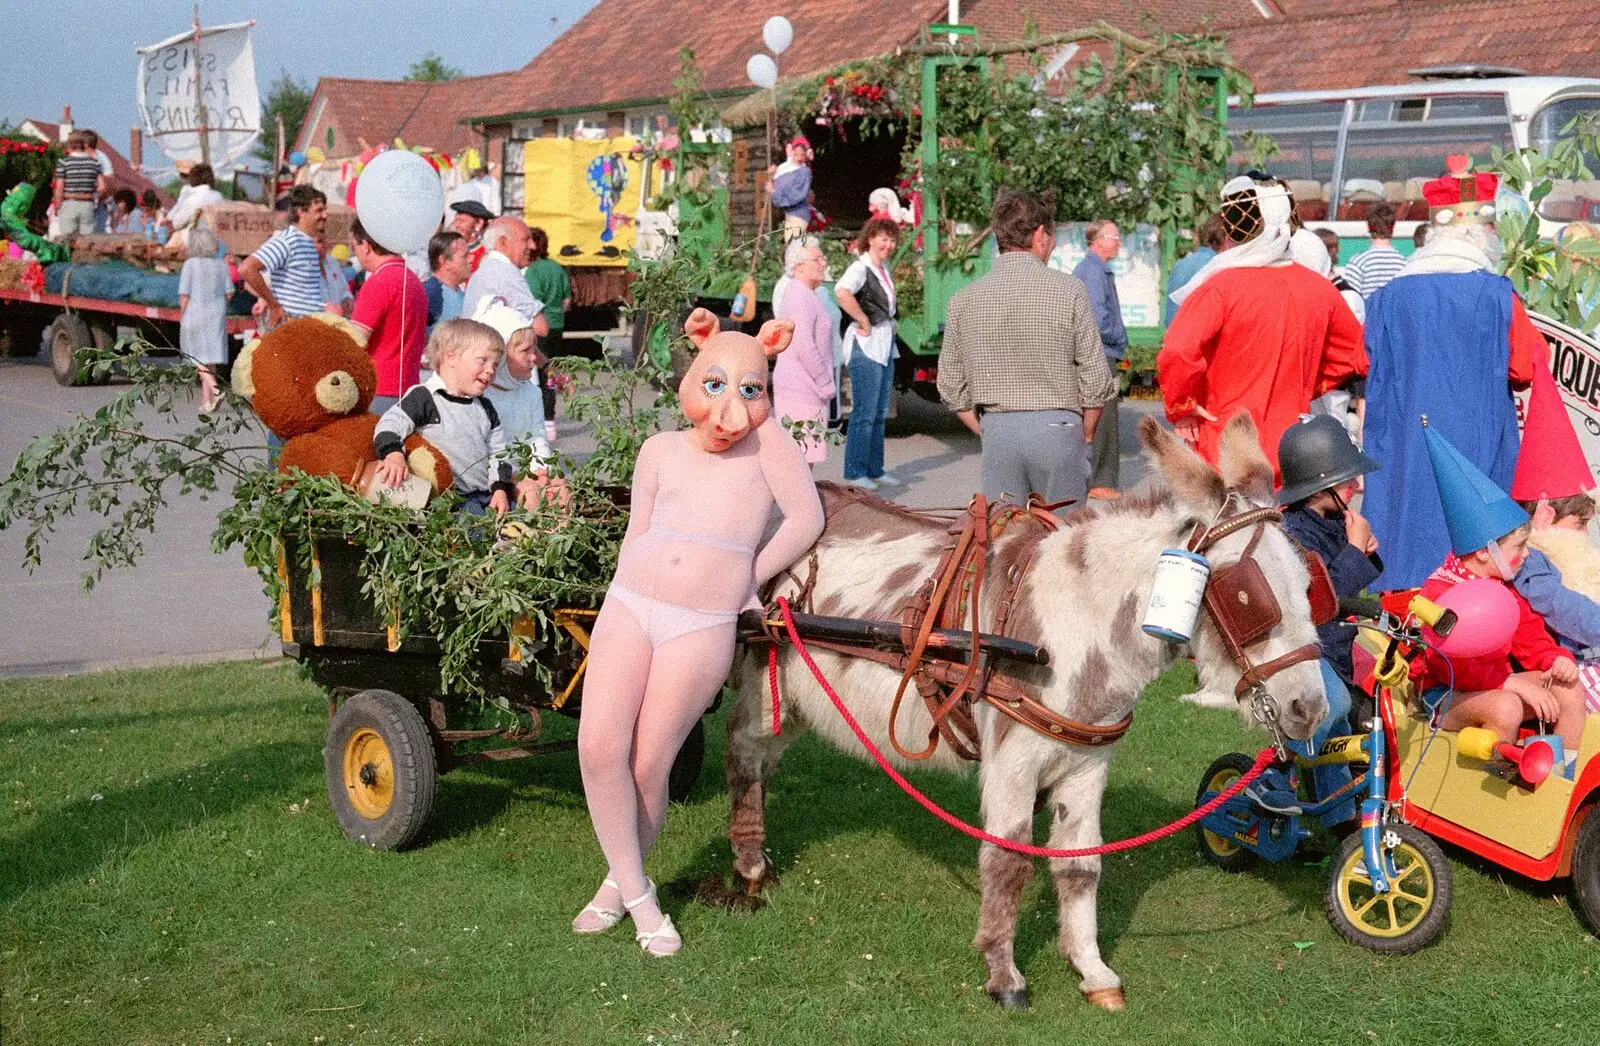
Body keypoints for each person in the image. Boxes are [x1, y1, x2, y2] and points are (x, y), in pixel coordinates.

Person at [571, 309, 823, 956]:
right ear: (691, 376)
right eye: (715, 386)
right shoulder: (658, 451)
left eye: (751, 390)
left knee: (649, 763)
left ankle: (617, 890)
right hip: (631, 606)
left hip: (701, 625)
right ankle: (637, 895)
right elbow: (639, 535)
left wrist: (749, 578)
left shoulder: (769, 449)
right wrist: (622, 595)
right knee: (599, 749)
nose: (729, 410)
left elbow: (805, 518)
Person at [1361, 166, 1545, 589]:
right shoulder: (1497, 294)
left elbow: (1364, 363)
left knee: (1407, 535)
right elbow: (1525, 368)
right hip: (1478, 444)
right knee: (1477, 543)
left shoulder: (1389, 297)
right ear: (1481, 232)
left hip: (1407, 442)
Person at [1159, 173, 1367, 478]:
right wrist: (1304, 382)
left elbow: (1177, 349)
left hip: (1227, 442)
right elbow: (1353, 354)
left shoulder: (1219, 288)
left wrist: (1183, 406)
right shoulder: (1319, 288)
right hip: (1294, 445)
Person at [1414, 421, 1585, 777]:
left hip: (1498, 686)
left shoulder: (1501, 585)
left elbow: (1530, 635)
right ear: (1481, 552)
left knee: (1569, 688)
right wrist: (1512, 683)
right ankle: (1486, 798)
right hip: (1444, 693)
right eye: (1518, 548)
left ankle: (1559, 782)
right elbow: (1445, 662)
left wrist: (1556, 658)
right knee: (1505, 707)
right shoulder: (1441, 592)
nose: (1525, 555)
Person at [938, 188, 1115, 511]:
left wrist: (988, 429)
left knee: (1007, 540)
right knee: (1062, 543)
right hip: (1059, 430)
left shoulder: (963, 299)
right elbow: (1096, 379)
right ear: (1039, 235)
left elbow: (950, 386)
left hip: (998, 431)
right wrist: (1086, 432)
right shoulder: (1070, 290)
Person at [1507, 352, 1600, 712]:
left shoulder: (1576, 560)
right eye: (1580, 524)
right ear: (1545, 516)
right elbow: (1559, 605)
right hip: (1567, 668)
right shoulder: (1532, 560)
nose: (1585, 536)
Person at [1278, 414, 1383, 690]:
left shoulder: (1330, 521)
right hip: (1313, 663)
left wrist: (1363, 551)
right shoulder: (1293, 535)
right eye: (1347, 479)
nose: (1357, 486)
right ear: (1320, 484)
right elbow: (1322, 601)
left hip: (1338, 654)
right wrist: (1354, 551)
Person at [373, 318, 518, 517]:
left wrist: (500, 489)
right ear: (451, 357)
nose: (490, 370)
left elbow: (499, 452)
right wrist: (393, 454)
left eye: (495, 364)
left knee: (522, 526)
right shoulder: (425, 397)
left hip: (486, 495)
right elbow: (389, 424)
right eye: (483, 360)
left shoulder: (484, 407)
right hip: (448, 502)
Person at [834, 217, 901, 490]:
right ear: (870, 238)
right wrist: (862, 319)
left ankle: (875, 468)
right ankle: (854, 471)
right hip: (867, 344)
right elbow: (842, 292)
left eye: (892, 240)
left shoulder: (881, 268)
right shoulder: (860, 268)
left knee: (879, 411)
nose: (888, 245)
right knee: (864, 411)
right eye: (883, 239)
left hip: (884, 343)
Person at [350, 218, 429, 416]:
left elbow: (354, 340)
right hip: (408, 386)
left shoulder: (379, 282)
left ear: (366, 246)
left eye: (354, 247)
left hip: (379, 389)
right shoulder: (413, 280)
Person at [1073, 219, 1128, 500]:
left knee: (1098, 416)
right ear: (1098, 240)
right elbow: (1097, 319)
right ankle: (1099, 481)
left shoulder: (1093, 269)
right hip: (1100, 352)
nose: (1118, 242)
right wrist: (1119, 338)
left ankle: (1095, 478)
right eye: (1114, 237)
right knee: (1104, 418)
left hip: (1096, 352)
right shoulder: (1094, 271)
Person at [773, 238, 835, 465]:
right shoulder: (799, 295)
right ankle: (798, 501)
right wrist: (824, 382)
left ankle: (801, 501)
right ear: (798, 265)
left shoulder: (807, 294)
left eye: (822, 258)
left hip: (805, 389)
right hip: (802, 388)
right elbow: (803, 345)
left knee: (804, 458)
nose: (823, 263)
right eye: (817, 259)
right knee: (800, 459)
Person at [239, 185, 328, 329]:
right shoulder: (288, 241)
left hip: (307, 329)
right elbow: (247, 268)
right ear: (300, 212)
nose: (325, 215)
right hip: (292, 329)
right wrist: (273, 305)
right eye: (319, 211)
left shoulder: (307, 242)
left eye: (325, 210)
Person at [177, 225, 233, 415]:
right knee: (210, 357)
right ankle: (205, 400)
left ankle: (215, 391)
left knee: (195, 356)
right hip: (216, 313)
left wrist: (182, 315)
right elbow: (230, 293)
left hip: (195, 311)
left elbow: (184, 294)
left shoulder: (190, 265)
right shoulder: (221, 264)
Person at [523, 227, 571, 443]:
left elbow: (533, 302)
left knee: (538, 374)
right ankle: (551, 420)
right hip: (558, 325)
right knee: (551, 371)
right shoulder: (556, 267)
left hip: (540, 327)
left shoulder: (532, 271)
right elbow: (566, 299)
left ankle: (543, 421)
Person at [463, 217, 548, 334]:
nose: (533, 246)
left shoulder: (489, 268)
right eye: (526, 239)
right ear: (503, 242)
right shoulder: (504, 271)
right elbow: (540, 329)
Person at [1164, 214, 1225, 325]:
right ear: (1225, 241)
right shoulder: (1219, 267)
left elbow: (1170, 316)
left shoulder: (1180, 264)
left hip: (1175, 335)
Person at [1342, 201, 1406, 299]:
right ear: (1393, 227)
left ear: (1368, 227)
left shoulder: (1357, 262)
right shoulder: (1404, 263)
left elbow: (1351, 300)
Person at [51, 130, 105, 241]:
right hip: (87, 205)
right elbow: (102, 187)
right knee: (87, 242)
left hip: (68, 202)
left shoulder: (64, 162)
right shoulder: (95, 163)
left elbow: (59, 186)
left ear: (70, 144)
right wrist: (95, 199)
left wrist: (58, 205)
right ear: (84, 144)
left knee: (68, 241)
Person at [166, 162, 226, 251]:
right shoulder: (219, 197)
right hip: (216, 242)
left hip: (194, 243)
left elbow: (177, 223)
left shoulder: (192, 198)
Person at [767, 135, 814, 242]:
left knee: (793, 248)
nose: (798, 156)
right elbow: (778, 186)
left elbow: (796, 196)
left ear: (805, 156)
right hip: (790, 215)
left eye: (802, 154)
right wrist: (771, 176)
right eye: (796, 153)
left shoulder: (803, 172)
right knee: (791, 247)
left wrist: (774, 191)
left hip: (798, 216)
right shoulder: (789, 170)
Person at [424, 231, 470, 331]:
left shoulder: (463, 293)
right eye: (465, 256)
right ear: (444, 260)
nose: (471, 259)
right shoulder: (430, 294)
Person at [316, 232, 353, 318]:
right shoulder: (302, 269)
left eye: (325, 241)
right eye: (320, 241)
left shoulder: (333, 263)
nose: (325, 245)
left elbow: (344, 289)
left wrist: (347, 299)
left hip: (338, 321)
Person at [450, 199, 493, 270]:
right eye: (456, 220)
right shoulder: (450, 250)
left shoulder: (486, 255)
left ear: (478, 223)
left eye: (462, 221)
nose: (456, 225)